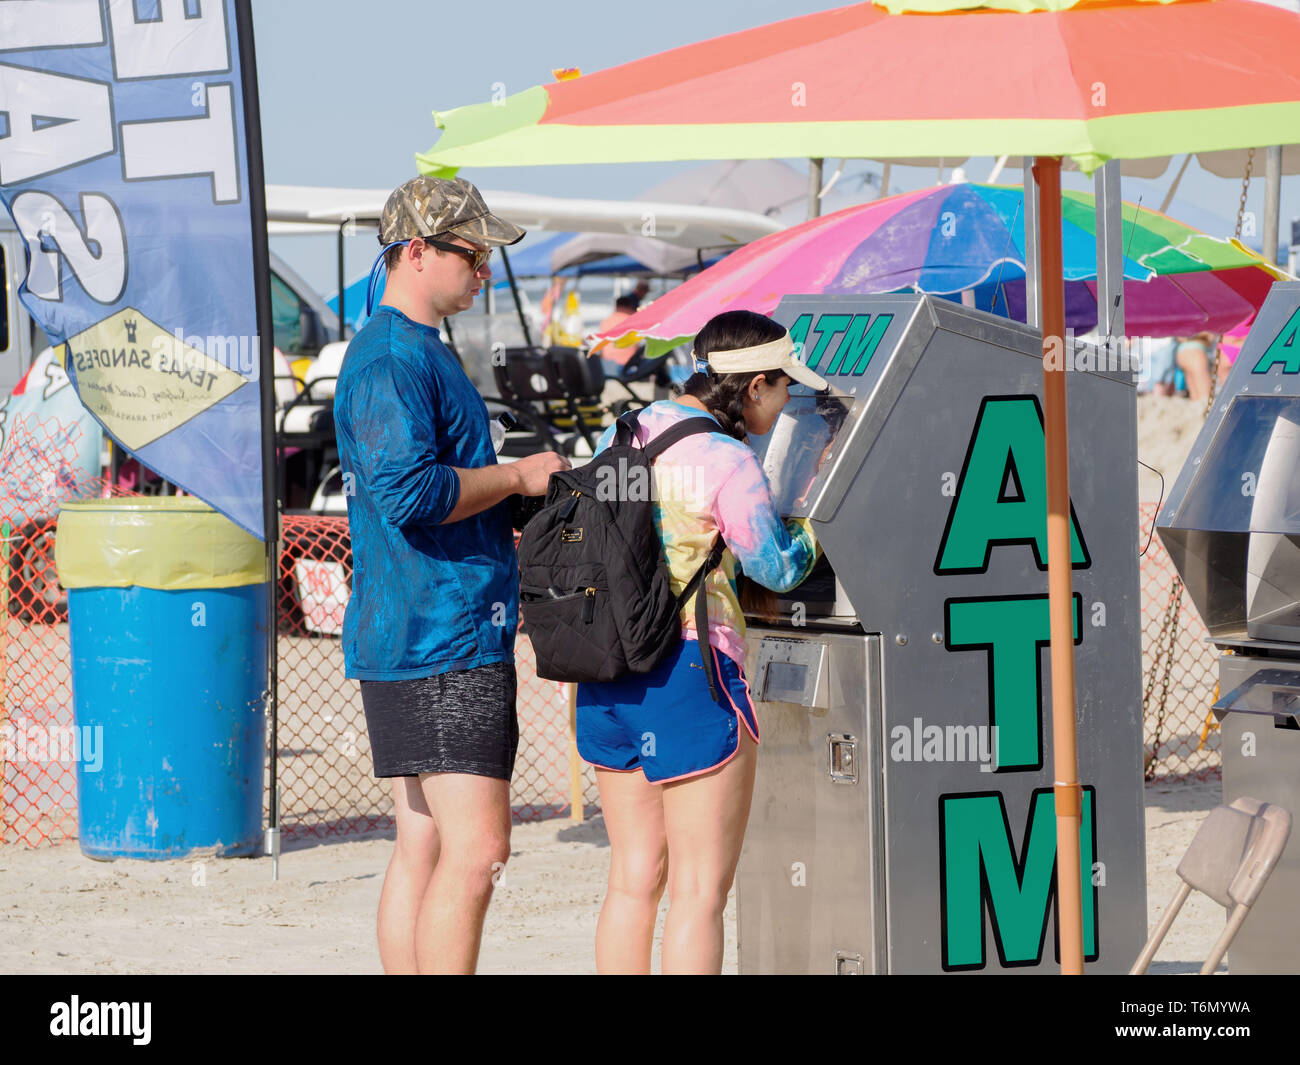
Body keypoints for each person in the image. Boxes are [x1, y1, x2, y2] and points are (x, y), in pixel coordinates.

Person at [333, 176, 569, 975]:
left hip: (414, 626)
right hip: (442, 632)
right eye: (473, 255)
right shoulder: (394, 354)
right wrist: (515, 478)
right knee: (479, 852)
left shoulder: (405, 348)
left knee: (425, 847)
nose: (483, 270)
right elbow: (410, 493)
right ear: (419, 250)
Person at [575, 309, 824, 974]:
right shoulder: (728, 458)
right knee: (698, 891)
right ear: (756, 385)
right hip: (689, 672)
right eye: (784, 389)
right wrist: (812, 530)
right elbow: (772, 564)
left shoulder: (621, 432)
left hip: (605, 671)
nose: (788, 403)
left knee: (634, 878)